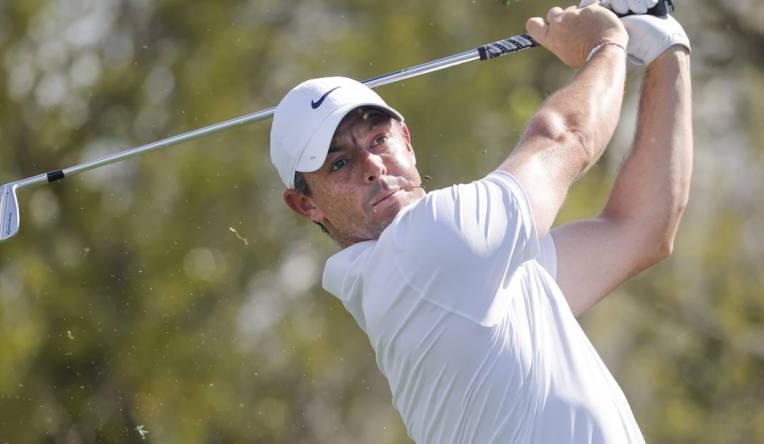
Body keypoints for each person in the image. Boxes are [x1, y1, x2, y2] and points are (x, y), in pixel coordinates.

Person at [269, 1, 691, 442]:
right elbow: (566, 136)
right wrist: (605, 42)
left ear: (407, 142)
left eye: (379, 138)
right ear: (306, 206)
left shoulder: (469, 278)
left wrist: (666, 48)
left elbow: (642, 229)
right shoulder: (425, 249)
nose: (373, 165)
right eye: (339, 164)